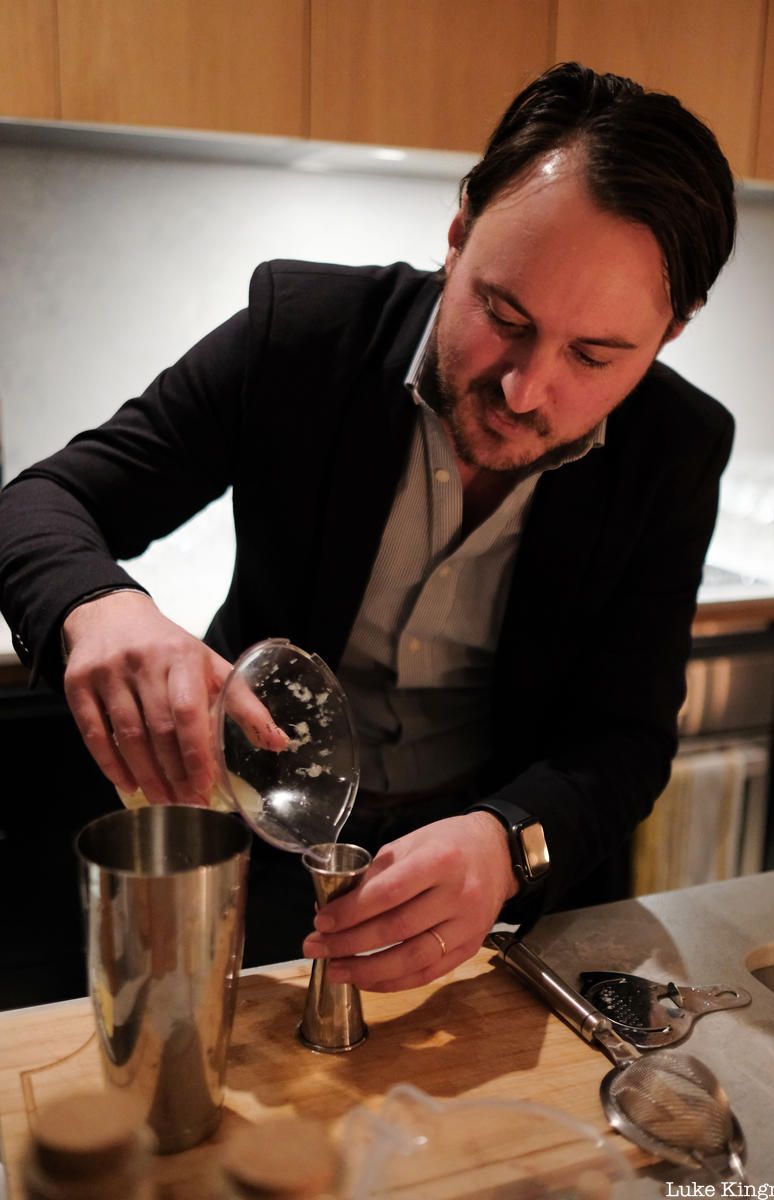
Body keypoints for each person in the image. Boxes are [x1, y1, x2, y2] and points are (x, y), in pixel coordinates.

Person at [0, 62, 736, 992]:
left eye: (594, 356)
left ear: (673, 330)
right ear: (461, 231)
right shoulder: (304, 335)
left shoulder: (674, 445)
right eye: (503, 314)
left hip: (486, 889)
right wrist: (100, 607)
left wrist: (509, 845)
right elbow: (40, 503)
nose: (524, 389)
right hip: (256, 840)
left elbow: (625, 740)